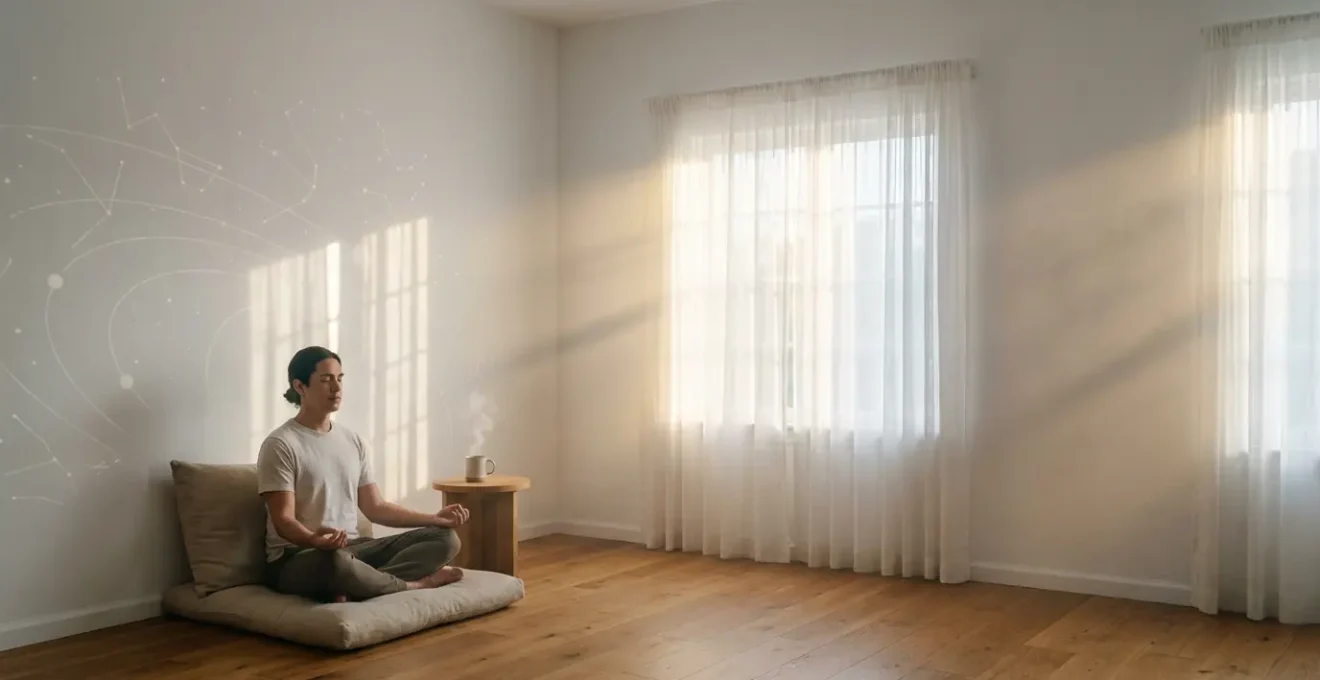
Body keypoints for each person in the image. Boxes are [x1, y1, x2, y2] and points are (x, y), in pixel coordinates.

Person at [257, 345, 468, 603]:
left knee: (445, 539)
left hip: (354, 549)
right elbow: (283, 520)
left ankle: (359, 585)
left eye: (339, 378)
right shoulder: (281, 444)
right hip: (298, 556)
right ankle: (415, 585)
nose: (336, 388)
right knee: (336, 563)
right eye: (326, 380)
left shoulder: (352, 441)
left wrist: (435, 518)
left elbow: (375, 507)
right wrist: (314, 540)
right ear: (300, 387)